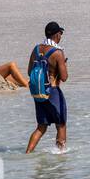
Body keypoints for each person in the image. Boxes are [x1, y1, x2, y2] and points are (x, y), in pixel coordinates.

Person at [26, 22, 69, 154]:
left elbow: (29, 71)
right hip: (53, 92)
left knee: (41, 127)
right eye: (60, 34)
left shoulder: (36, 49)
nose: (61, 36)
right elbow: (64, 77)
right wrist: (63, 64)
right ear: (56, 34)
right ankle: (60, 158)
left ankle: (27, 153)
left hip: (39, 94)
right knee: (61, 125)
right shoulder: (58, 53)